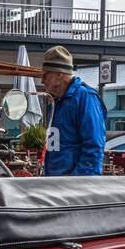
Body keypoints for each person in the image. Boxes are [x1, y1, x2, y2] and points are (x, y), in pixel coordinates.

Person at [40, 46, 106, 176]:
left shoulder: (85, 97)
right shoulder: (58, 100)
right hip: (57, 182)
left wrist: (76, 181)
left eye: (46, 74)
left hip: (72, 185)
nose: (42, 80)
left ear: (59, 75)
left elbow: (94, 146)